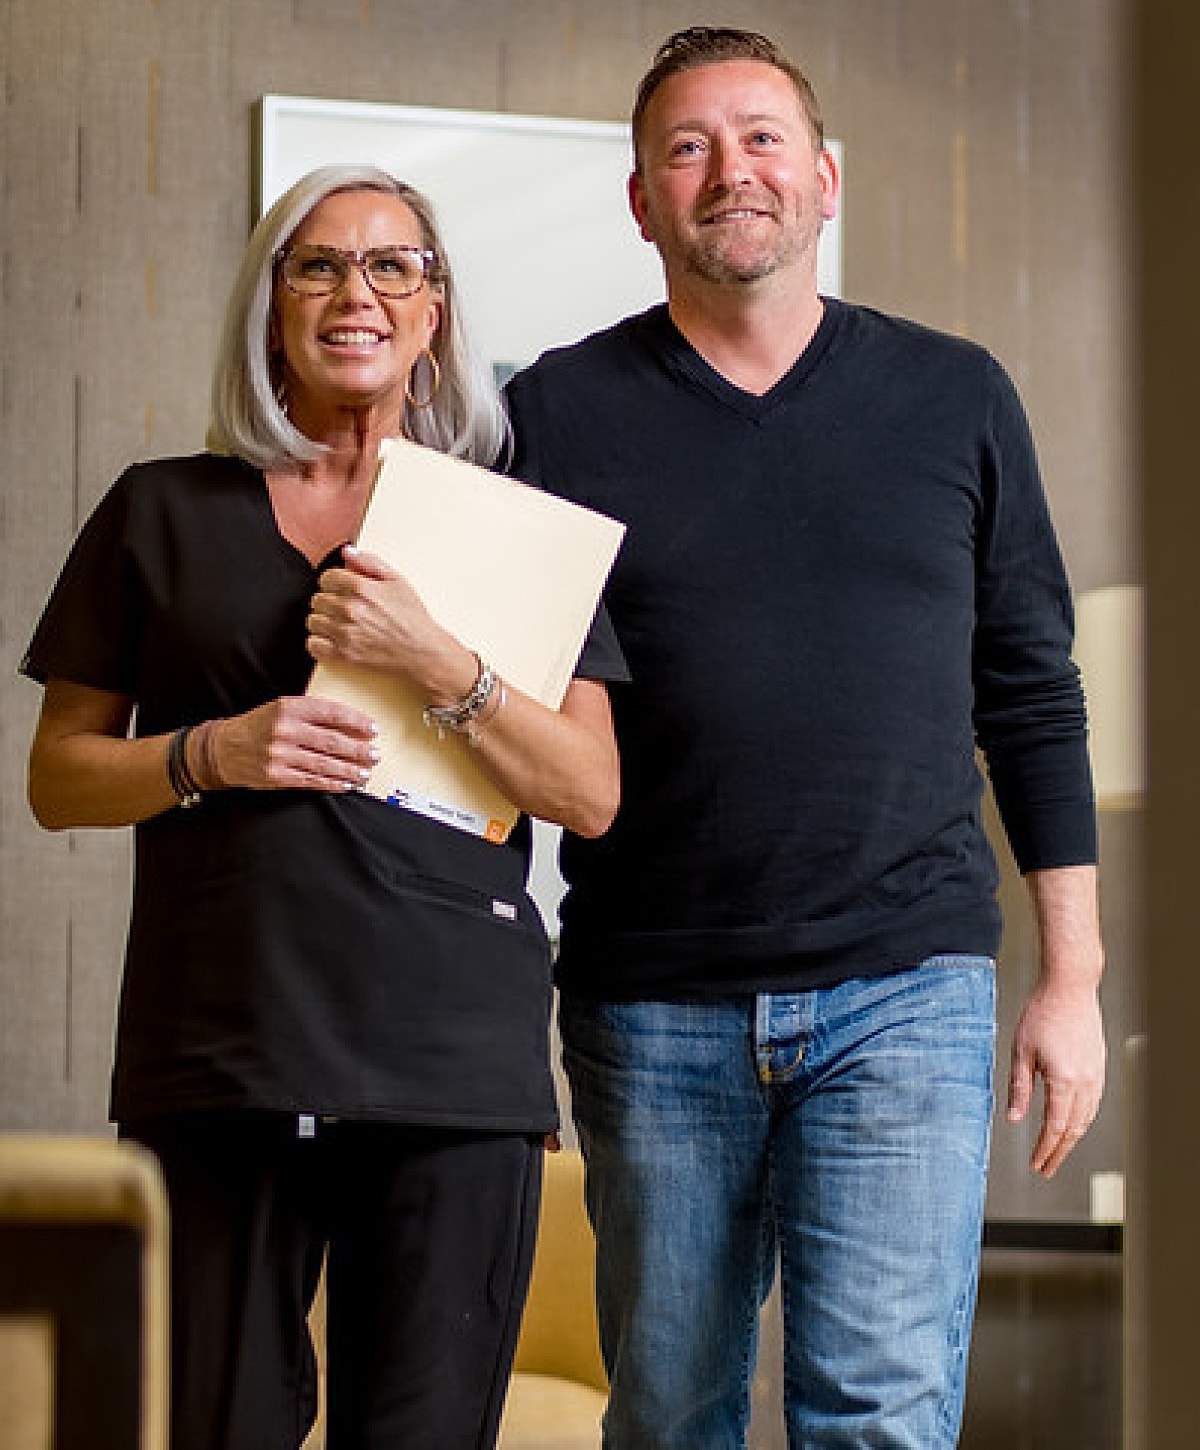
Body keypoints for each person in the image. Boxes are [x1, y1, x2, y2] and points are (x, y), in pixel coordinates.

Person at [504, 26, 1106, 1450]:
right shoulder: (553, 414)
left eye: (764, 137)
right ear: (642, 198)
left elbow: (1035, 690)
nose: (733, 171)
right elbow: (506, 724)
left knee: (878, 1417)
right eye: (690, 147)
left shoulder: (958, 396)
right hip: (651, 999)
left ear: (825, 179)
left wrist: (1071, 976)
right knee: (670, 1415)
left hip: (908, 989)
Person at [21, 162, 625, 1450]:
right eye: (319, 263)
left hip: (452, 1074)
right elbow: (59, 776)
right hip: (221, 1057)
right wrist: (212, 753)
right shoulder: (158, 510)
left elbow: (589, 789)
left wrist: (435, 660)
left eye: (392, 264)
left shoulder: (516, 531)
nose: (358, 290)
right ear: (272, 305)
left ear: (433, 312)